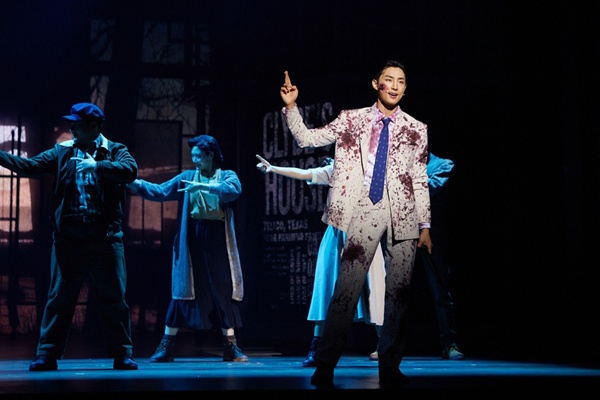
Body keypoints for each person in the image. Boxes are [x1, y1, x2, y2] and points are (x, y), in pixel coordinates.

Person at [279, 60, 431, 388]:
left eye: (401, 81)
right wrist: (291, 108)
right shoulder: (352, 119)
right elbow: (307, 139)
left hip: (403, 214)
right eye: (389, 79)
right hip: (363, 209)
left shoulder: (416, 128)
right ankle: (325, 364)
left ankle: (390, 365)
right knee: (345, 290)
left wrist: (425, 225)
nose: (394, 86)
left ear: (405, 88)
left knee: (399, 295)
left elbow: (419, 178)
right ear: (376, 84)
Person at [0, 102, 139, 371]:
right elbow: (29, 166)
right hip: (70, 237)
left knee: (113, 297)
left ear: (94, 126)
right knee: (59, 297)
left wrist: (97, 166)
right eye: (72, 124)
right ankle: (47, 353)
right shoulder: (62, 151)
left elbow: (130, 171)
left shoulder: (114, 150)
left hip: (105, 237)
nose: (72, 129)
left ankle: (123, 353)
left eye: (78, 124)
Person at [255, 154, 386, 367]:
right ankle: (316, 348)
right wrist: (273, 168)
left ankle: (384, 345)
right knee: (326, 288)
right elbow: (305, 173)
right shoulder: (336, 169)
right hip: (336, 233)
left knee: (374, 289)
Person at [127, 134, 248, 363]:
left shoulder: (226, 175)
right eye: (193, 156)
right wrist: (135, 182)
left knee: (223, 289)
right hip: (193, 235)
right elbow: (161, 191)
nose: (195, 160)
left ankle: (231, 346)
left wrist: (205, 186)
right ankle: (166, 346)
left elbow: (233, 191)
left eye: (199, 156)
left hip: (218, 238)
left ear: (211, 154)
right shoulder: (187, 178)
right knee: (183, 288)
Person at [368, 152, 465, 361]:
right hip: (401, 233)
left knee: (440, 290)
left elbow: (428, 191)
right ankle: (388, 343)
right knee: (394, 290)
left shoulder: (443, 164)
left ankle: (449, 343)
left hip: (430, 236)